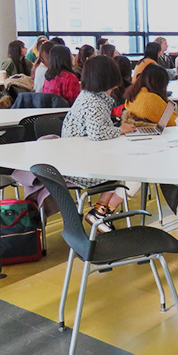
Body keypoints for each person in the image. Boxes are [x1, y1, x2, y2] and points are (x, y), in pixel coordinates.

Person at [61, 55, 137, 232]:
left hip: (80, 158)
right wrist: (121, 130)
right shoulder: (94, 102)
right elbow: (97, 134)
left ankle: (101, 212)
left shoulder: (89, 96)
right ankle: (100, 213)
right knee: (137, 174)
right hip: (84, 166)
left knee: (129, 169)